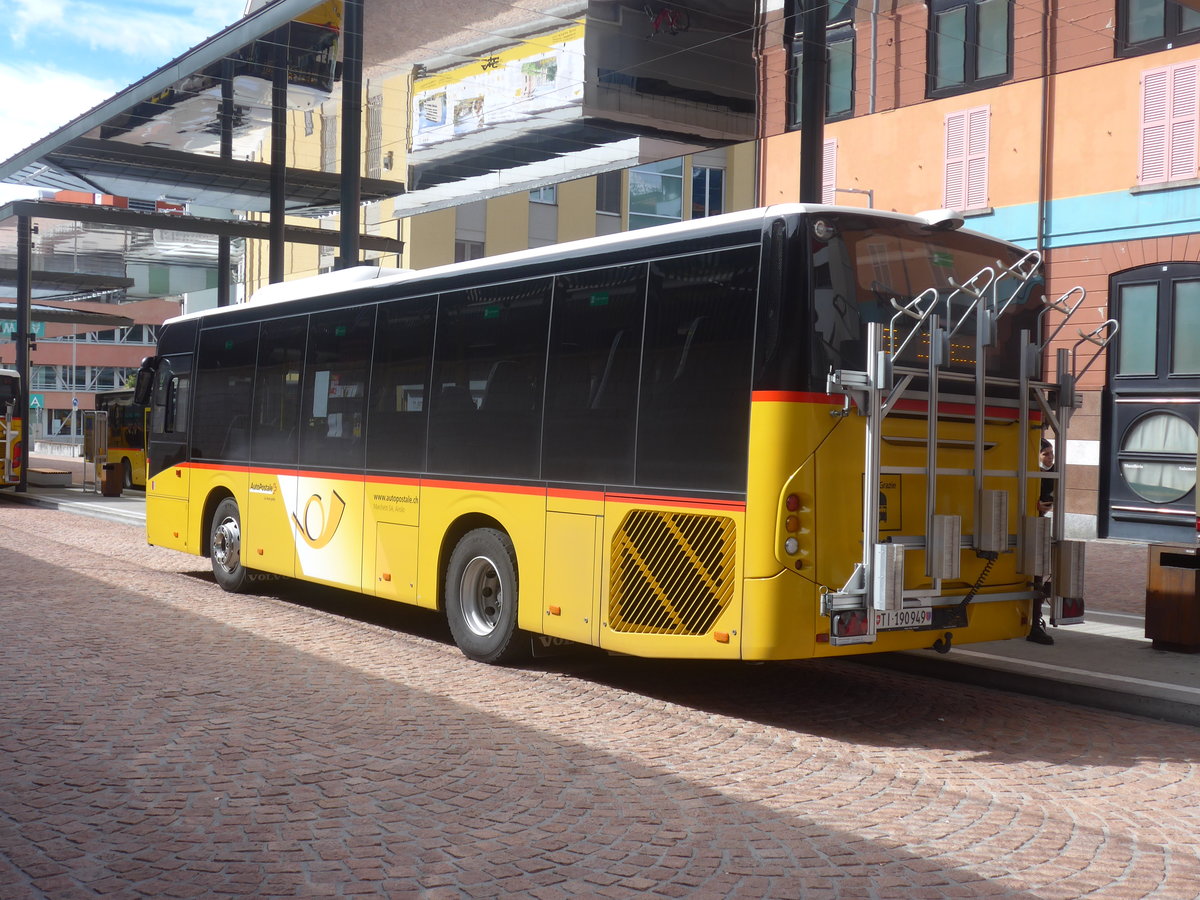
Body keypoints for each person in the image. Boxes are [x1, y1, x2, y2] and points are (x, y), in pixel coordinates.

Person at [1028, 438, 1055, 645]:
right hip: (1030, 527)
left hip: (1039, 526)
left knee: (1038, 573)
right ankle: (1033, 622)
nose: (1050, 458)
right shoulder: (1031, 473)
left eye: (1051, 454)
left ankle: (1035, 621)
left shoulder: (1050, 474)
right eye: (1046, 454)